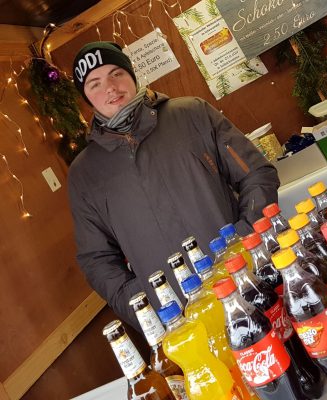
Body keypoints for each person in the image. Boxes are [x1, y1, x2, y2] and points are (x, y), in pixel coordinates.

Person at [68, 42, 280, 331]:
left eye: (116, 73)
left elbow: (256, 174)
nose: (110, 87)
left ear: (131, 75)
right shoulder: (84, 174)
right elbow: (96, 258)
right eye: (95, 83)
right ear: (87, 98)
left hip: (247, 279)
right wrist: (142, 305)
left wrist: (245, 240)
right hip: (181, 318)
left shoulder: (192, 113)